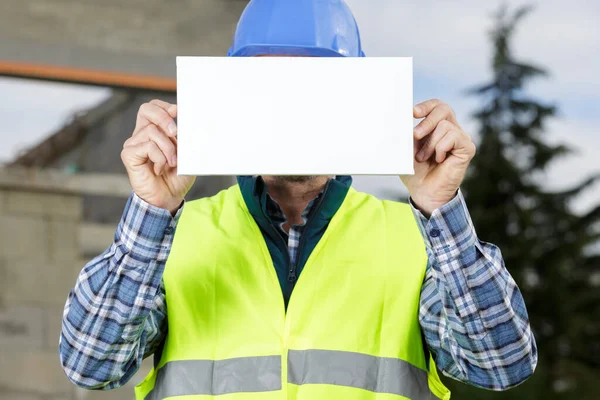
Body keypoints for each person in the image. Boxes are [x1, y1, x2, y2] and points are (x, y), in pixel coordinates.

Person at [59, 0, 537, 399]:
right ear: (235, 96)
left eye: (315, 88)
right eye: (272, 89)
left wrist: (441, 208)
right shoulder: (173, 234)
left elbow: (501, 364)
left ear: (358, 99)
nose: (291, 111)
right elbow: (90, 363)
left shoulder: (416, 237)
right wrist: (151, 213)